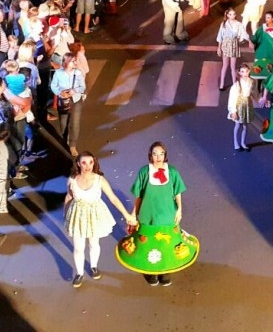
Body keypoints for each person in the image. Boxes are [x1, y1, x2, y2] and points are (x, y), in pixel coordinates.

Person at [116, 142, 198, 287]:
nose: (158, 157)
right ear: (150, 155)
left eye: (161, 153)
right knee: (148, 244)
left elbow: (177, 191)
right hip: (148, 215)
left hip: (167, 214)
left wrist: (179, 209)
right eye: (155, 153)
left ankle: (165, 271)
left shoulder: (172, 171)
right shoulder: (144, 172)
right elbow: (139, 196)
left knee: (166, 243)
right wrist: (133, 214)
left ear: (165, 155)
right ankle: (151, 272)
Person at [65, 152, 137, 288]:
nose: (87, 166)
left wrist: (127, 215)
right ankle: (79, 273)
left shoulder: (99, 180)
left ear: (94, 163)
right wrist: (66, 215)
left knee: (93, 243)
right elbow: (68, 197)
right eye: (84, 163)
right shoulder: (72, 180)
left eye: (90, 162)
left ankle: (93, 267)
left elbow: (113, 198)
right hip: (77, 216)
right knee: (79, 247)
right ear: (79, 164)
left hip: (94, 216)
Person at [51, 53, 87, 158]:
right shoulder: (58, 73)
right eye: (73, 61)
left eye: (75, 61)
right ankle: (64, 140)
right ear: (66, 62)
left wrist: (75, 90)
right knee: (63, 123)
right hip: (63, 101)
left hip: (76, 100)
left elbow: (82, 87)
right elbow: (53, 86)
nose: (75, 63)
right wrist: (60, 93)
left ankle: (72, 145)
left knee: (75, 123)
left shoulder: (78, 73)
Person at [216, 8, 252, 91]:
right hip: (225, 44)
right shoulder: (224, 24)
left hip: (234, 45)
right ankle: (222, 84)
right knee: (225, 66)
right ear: (227, 15)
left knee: (233, 66)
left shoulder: (238, 24)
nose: (232, 16)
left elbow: (244, 33)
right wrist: (219, 47)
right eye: (230, 14)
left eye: (234, 14)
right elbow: (220, 36)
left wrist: (249, 41)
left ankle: (234, 85)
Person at [227, 64, 256, 152]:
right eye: (242, 71)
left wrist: (259, 101)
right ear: (239, 73)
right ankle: (236, 143)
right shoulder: (236, 85)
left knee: (245, 125)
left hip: (247, 104)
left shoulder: (251, 81)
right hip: (239, 106)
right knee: (237, 125)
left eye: (246, 71)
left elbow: (253, 93)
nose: (245, 73)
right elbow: (232, 98)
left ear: (249, 71)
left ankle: (243, 143)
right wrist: (233, 111)